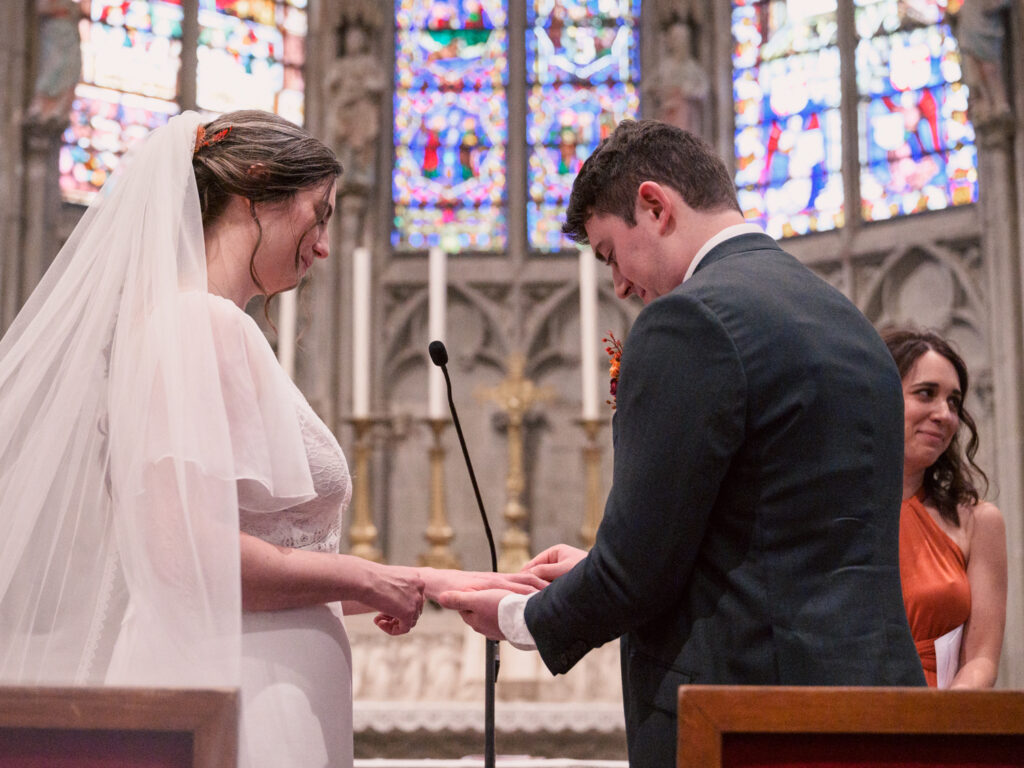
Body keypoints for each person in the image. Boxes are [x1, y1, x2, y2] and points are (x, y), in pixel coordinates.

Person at [0, 110, 539, 768]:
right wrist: (371, 579)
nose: (324, 246)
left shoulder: (183, 323)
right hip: (241, 689)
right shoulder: (199, 324)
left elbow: (279, 560)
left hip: (249, 675)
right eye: (320, 213)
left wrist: (443, 581)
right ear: (257, 191)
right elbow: (189, 559)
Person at [440, 119, 926, 765]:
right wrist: (597, 567)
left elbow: (638, 570)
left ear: (655, 205)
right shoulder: (846, 319)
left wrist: (518, 619)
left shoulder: (690, 320)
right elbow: (784, 538)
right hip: (872, 697)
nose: (618, 285)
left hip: (744, 712)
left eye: (611, 253)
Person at [882, 327, 1007, 688]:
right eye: (926, 394)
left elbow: (981, 659)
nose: (945, 414)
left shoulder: (978, 522)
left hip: (940, 720)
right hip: (844, 717)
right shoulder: (832, 508)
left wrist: (936, 729)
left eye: (954, 402)